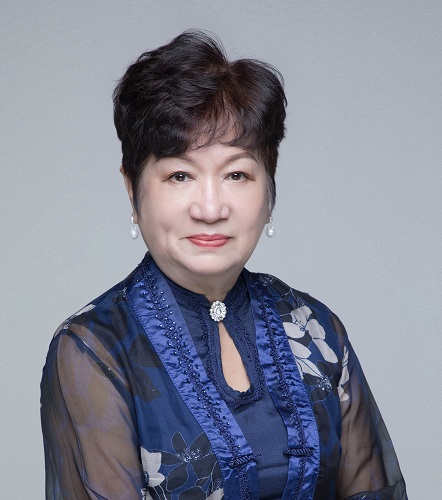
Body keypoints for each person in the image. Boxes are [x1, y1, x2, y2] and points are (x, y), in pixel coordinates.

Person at [40, 31, 407, 500]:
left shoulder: (316, 330)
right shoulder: (95, 349)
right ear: (133, 189)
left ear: (269, 186)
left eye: (236, 174)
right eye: (180, 175)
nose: (210, 208)